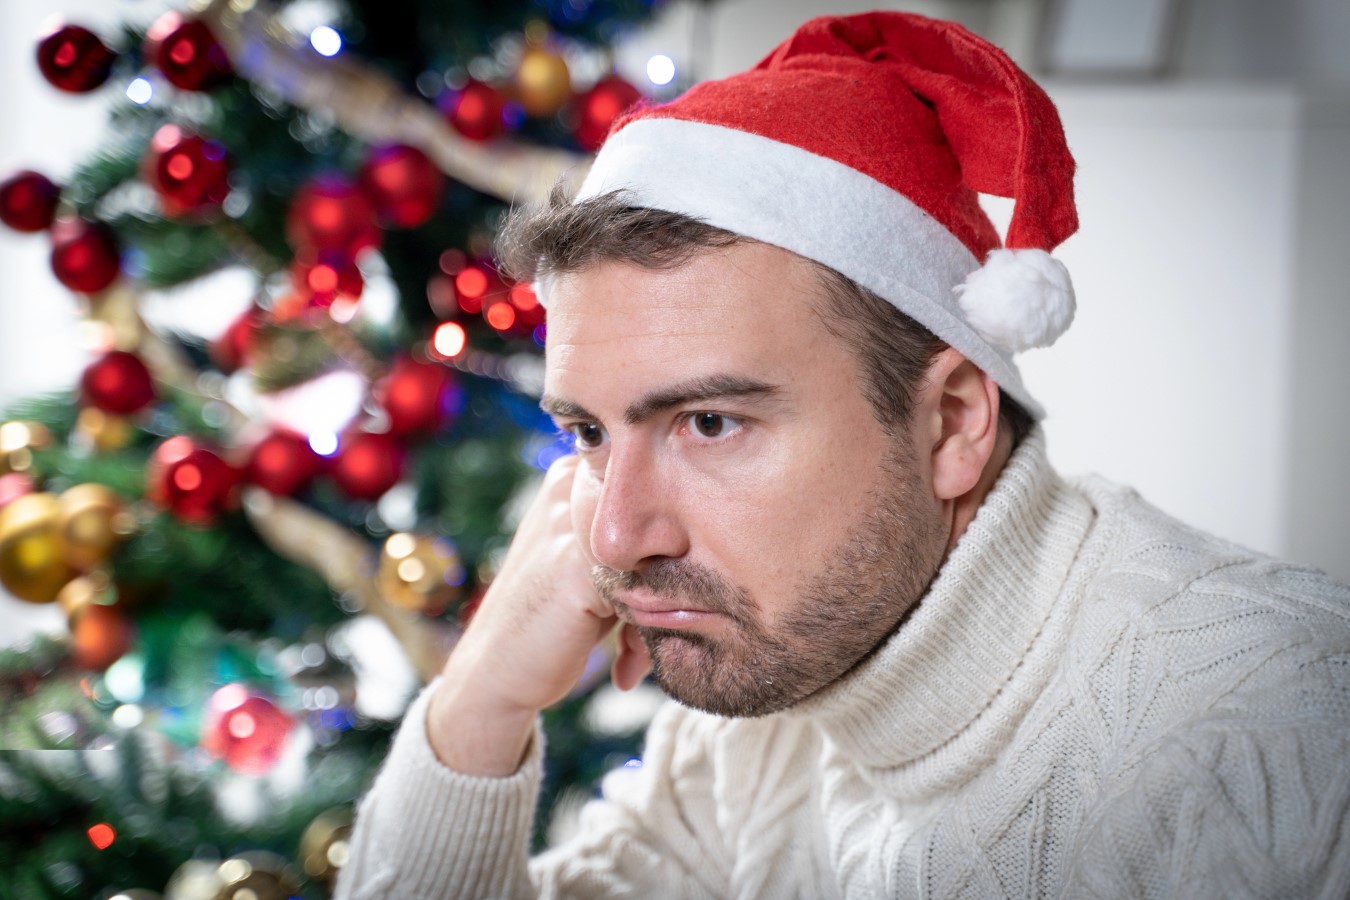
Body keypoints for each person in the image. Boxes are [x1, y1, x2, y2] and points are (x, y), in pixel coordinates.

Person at [336, 11, 1350, 899]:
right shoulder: (753, 714)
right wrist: (478, 703)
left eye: (709, 424)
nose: (615, 534)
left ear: (955, 421)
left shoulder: (1287, 732)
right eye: (590, 432)